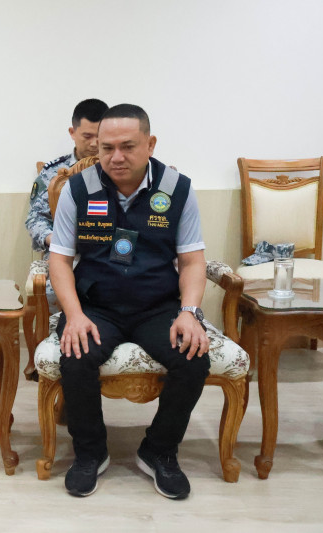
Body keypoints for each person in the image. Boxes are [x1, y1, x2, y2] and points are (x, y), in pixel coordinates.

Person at [48, 104, 209, 500]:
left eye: (128, 146)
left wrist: (189, 313)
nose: (116, 157)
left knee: (193, 357)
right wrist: (73, 315)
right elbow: (60, 260)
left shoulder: (177, 189)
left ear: (150, 144)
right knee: (76, 353)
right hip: (96, 306)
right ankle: (90, 452)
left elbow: (192, 260)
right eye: (107, 148)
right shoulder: (78, 188)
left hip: (157, 305)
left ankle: (159, 450)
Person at [25, 98, 108, 310]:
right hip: (66, 252)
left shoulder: (120, 168)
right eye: (87, 136)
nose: (94, 143)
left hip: (109, 252)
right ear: (72, 132)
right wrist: (55, 240)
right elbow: (35, 218)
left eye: (100, 137)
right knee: (52, 289)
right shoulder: (54, 172)